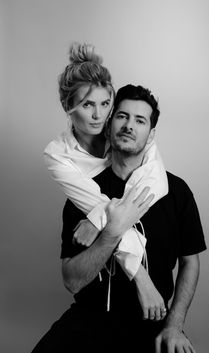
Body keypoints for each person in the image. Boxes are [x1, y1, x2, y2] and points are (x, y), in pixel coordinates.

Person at [32, 84, 206, 353]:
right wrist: (111, 233)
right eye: (122, 116)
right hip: (89, 318)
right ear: (109, 123)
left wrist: (174, 324)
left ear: (151, 134)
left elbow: (190, 261)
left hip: (153, 319)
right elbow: (72, 281)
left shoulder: (175, 192)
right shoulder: (83, 192)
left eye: (140, 120)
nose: (129, 126)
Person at [44, 42, 169, 283]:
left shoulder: (124, 131)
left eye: (105, 104)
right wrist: (140, 278)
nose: (98, 116)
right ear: (67, 106)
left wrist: (96, 219)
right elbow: (104, 209)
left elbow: (156, 183)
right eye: (87, 104)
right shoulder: (58, 155)